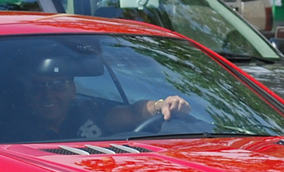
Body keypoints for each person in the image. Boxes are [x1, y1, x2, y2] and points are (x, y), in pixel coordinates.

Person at [18, 53, 190, 141]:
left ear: (72, 90)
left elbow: (133, 114)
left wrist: (160, 105)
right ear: (27, 93)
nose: (48, 95)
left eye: (57, 85)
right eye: (38, 87)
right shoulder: (15, 131)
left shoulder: (89, 111)